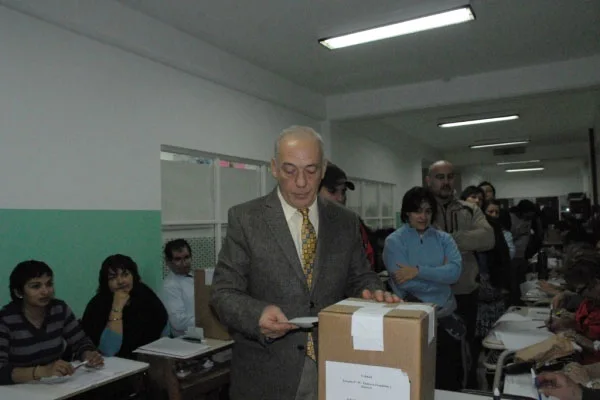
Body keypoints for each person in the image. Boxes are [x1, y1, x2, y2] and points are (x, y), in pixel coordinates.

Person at [210, 126, 400, 400]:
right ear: (273, 168)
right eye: (289, 170)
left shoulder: (344, 221)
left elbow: (360, 276)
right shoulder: (246, 219)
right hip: (266, 374)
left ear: (323, 170)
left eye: (311, 171)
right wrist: (256, 315)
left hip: (336, 366)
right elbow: (222, 292)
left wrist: (373, 290)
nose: (301, 182)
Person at [383, 186, 465, 390]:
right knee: (414, 381)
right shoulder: (394, 241)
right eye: (418, 211)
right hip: (411, 319)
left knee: (448, 380)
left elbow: (454, 273)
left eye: (428, 211)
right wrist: (440, 274)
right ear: (407, 213)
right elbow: (405, 282)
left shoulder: (444, 239)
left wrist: (418, 270)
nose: (423, 216)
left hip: (446, 319)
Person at [426, 161, 494, 388]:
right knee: (434, 354)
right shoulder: (422, 210)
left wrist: (448, 240)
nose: (445, 182)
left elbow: (487, 238)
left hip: (465, 293)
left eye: (449, 177)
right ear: (429, 180)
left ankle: (466, 392)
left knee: (465, 353)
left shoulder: (470, 209)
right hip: (430, 297)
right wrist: (465, 241)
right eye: (439, 177)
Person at [0, 261, 103, 385]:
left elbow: (81, 342)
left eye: (49, 284)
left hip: (54, 386)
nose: (45, 291)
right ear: (19, 292)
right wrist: (41, 371)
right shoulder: (5, 319)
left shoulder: (59, 309)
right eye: (36, 286)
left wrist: (88, 355)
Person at [81, 254, 168, 359]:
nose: (120, 281)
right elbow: (108, 351)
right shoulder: (97, 306)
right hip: (116, 365)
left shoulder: (142, 292)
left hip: (150, 357)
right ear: (106, 282)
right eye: (113, 277)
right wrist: (117, 308)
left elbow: (163, 321)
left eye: (125, 274)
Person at [318, 161, 376, 271]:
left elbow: (366, 266)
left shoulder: (352, 224)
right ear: (315, 191)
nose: (340, 198)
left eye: (343, 191)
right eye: (332, 191)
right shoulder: (303, 225)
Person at [162, 239, 195, 337]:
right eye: (178, 259)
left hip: (205, 331)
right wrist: (207, 319)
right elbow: (178, 322)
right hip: (186, 338)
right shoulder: (169, 286)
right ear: (168, 262)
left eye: (186, 257)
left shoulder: (195, 277)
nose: (184, 263)